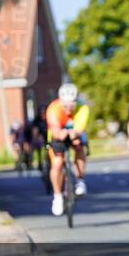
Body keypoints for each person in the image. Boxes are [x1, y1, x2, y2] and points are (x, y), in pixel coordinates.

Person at [45, 83, 90, 215]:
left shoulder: (83, 108)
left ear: (76, 102)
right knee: (57, 163)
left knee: (79, 146)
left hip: (74, 133)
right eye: (65, 105)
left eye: (72, 104)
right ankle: (58, 196)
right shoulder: (53, 109)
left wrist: (73, 134)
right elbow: (55, 130)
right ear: (60, 101)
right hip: (57, 134)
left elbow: (79, 129)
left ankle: (80, 181)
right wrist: (61, 134)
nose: (69, 108)